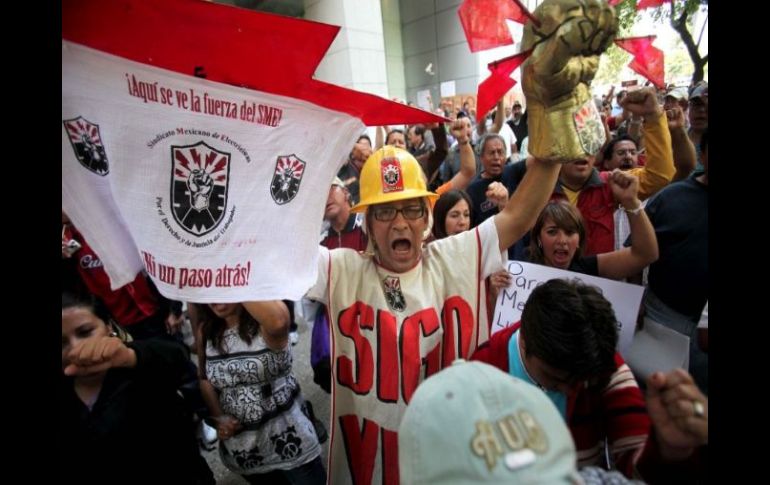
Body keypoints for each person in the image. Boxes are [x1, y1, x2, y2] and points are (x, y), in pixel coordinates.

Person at [470, 279, 659, 480]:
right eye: (555, 379)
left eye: (581, 380)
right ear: (524, 342)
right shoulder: (483, 369)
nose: (571, 390)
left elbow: (636, 458)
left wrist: (665, 448)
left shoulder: (601, 364)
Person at [61, 292, 214, 484]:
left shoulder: (138, 365)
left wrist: (131, 357)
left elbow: (178, 358)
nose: (75, 349)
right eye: (62, 342)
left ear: (108, 326)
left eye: (85, 332)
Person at [195, 301, 325, 484]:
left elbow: (279, 321)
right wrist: (219, 416)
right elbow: (204, 378)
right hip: (247, 453)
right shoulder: (206, 331)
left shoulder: (265, 322)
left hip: (291, 442)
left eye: (221, 284)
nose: (215, 298)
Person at [527, 170, 658, 280]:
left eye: (570, 232)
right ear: (538, 238)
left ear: (580, 240)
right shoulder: (520, 269)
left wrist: (631, 202)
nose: (562, 241)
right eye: (552, 232)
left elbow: (645, 254)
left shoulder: (589, 268)